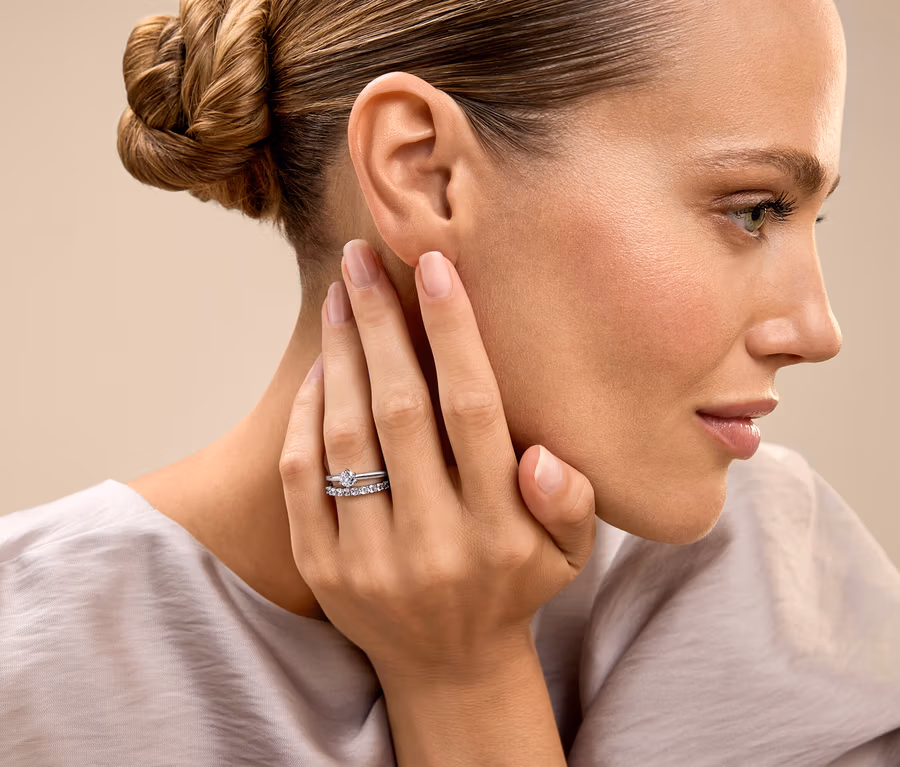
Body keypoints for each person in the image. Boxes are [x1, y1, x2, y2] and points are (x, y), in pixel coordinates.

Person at [2, 0, 899, 764]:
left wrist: (466, 680)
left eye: (811, 219)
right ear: (422, 173)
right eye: (753, 211)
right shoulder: (29, 668)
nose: (818, 331)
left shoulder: (781, 591)